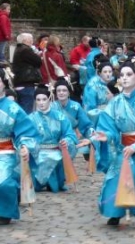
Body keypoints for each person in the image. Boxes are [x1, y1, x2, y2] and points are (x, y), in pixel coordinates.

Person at [93, 62, 135, 230]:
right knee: (113, 178)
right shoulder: (115, 102)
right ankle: (116, 212)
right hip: (122, 149)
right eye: (122, 75)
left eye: (129, 74)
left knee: (131, 173)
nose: (124, 77)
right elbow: (109, 127)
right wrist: (105, 136)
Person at [0, 65, 39, 225]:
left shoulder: (13, 108)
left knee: (3, 182)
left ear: (4, 83)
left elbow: (26, 131)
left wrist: (24, 145)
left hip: (5, 153)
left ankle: (4, 212)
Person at [29, 85, 77, 192]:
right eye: (38, 100)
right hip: (38, 152)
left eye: (44, 99)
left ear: (49, 99)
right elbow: (25, 136)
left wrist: (66, 141)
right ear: (35, 101)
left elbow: (70, 134)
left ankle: (58, 179)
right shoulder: (31, 118)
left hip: (56, 150)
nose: (41, 102)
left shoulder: (60, 116)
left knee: (69, 148)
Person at [52, 77, 94, 160]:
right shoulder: (51, 107)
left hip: (72, 137)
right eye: (59, 91)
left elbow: (85, 125)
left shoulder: (76, 106)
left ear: (68, 92)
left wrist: (90, 138)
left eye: (64, 90)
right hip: (55, 139)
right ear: (55, 93)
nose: (61, 93)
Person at [12, 33, 42, 114]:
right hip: (26, 84)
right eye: (31, 39)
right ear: (26, 40)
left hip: (20, 83)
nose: (32, 41)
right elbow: (38, 61)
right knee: (26, 111)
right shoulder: (25, 50)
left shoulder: (17, 49)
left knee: (21, 109)